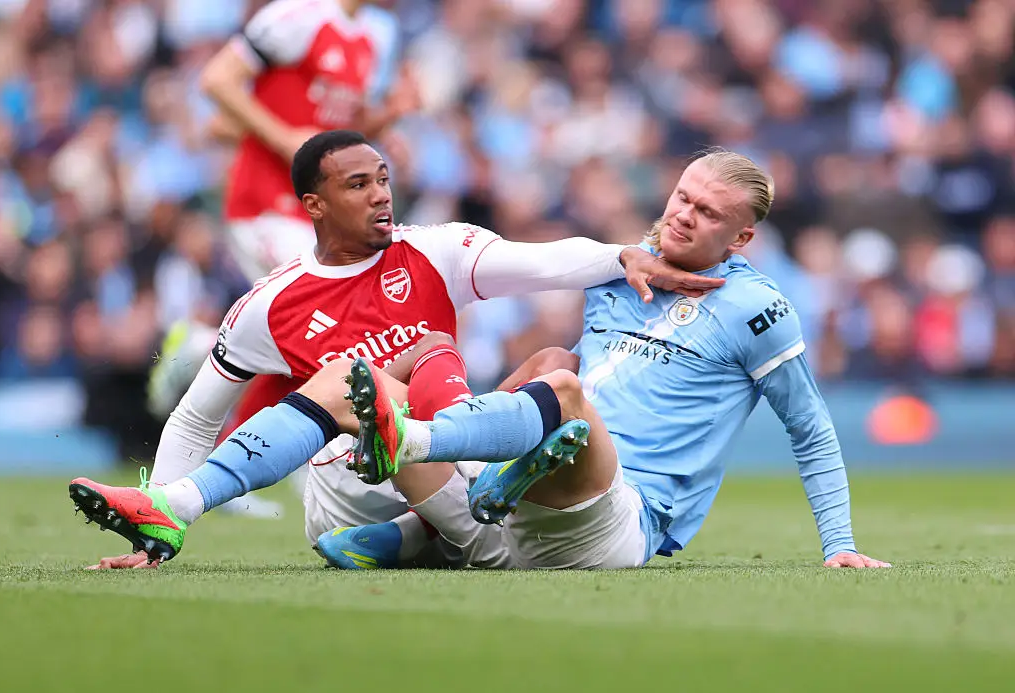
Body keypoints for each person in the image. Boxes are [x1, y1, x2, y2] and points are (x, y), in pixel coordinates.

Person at [68, 131, 724, 568]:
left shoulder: (435, 250)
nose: (381, 193)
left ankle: (418, 533)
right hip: (346, 483)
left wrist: (622, 257)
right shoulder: (269, 304)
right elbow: (196, 416)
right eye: (358, 185)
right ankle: (174, 510)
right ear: (314, 205)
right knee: (370, 371)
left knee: (555, 365)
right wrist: (161, 533)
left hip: (435, 467)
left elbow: (544, 261)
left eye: (383, 178)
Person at [222, 148, 890, 571]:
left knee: (565, 390)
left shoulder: (757, 308)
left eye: (708, 213)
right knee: (535, 361)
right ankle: (190, 503)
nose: (683, 216)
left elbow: (810, 425)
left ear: (742, 236)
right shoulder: (618, 270)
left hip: (622, 515)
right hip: (537, 502)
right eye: (682, 196)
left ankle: (421, 464)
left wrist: (838, 544)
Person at [146, 0, 416, 517]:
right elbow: (217, 80)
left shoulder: (370, 38)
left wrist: (389, 118)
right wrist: (284, 140)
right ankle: (266, 466)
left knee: (298, 338)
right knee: (323, 326)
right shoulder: (297, 16)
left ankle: (202, 353)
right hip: (266, 205)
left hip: (315, 211)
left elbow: (331, 133)